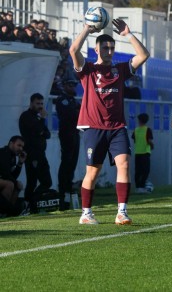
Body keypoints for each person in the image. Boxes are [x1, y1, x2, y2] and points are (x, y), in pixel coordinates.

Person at [69, 18, 150, 225]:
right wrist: (87, 28)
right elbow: (73, 50)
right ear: (97, 49)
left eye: (112, 47)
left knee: (124, 164)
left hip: (117, 127)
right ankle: (86, 213)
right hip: (93, 127)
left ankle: (121, 212)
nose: (109, 50)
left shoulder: (120, 70)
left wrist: (128, 35)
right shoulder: (87, 70)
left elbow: (143, 55)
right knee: (93, 172)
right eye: (105, 47)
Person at [19, 93, 52, 214]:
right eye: (38, 103)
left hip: (41, 154)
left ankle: (32, 202)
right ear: (31, 103)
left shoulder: (37, 118)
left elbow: (47, 134)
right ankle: (29, 205)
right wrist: (42, 121)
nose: (40, 106)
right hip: (32, 154)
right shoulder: (26, 116)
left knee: (47, 182)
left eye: (42, 104)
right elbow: (39, 130)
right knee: (32, 181)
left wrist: (41, 128)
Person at [56, 80, 81, 210]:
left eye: (74, 85)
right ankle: (63, 189)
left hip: (75, 133)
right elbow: (70, 115)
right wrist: (77, 111)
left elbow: (81, 112)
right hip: (67, 133)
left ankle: (68, 188)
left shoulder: (73, 101)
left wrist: (77, 110)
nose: (73, 87)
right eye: (70, 85)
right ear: (64, 86)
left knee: (72, 162)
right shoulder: (63, 100)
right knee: (66, 161)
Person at [0, 136, 27, 217]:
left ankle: (8, 214)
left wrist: (20, 163)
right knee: (10, 184)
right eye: (19, 145)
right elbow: (5, 174)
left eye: (22, 146)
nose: (21, 148)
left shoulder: (13, 157)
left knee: (17, 185)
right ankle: (3, 212)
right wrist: (15, 182)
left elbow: (12, 176)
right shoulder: (3, 153)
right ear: (11, 144)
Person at [132, 113, 154, 193]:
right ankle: (142, 185)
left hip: (137, 153)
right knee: (146, 170)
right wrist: (152, 146)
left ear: (139, 120)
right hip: (145, 152)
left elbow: (134, 140)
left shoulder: (136, 130)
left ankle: (138, 187)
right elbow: (149, 141)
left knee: (138, 171)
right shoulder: (147, 129)